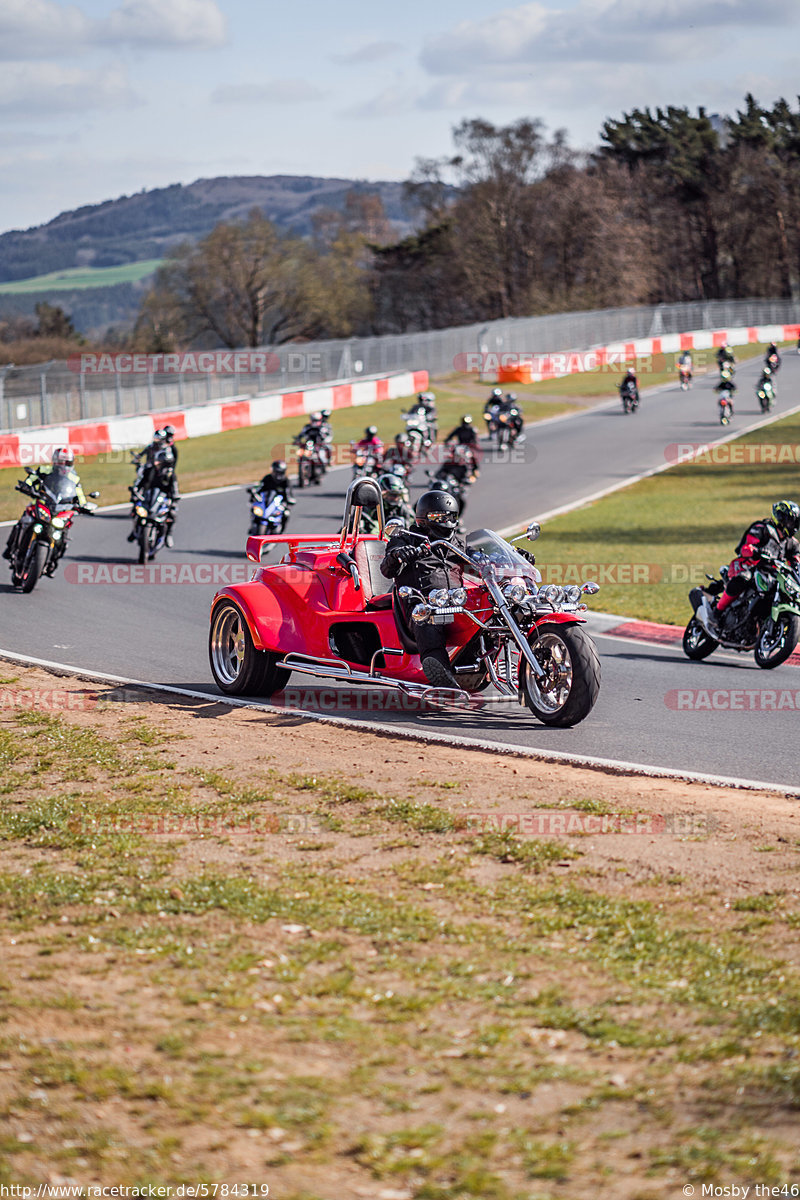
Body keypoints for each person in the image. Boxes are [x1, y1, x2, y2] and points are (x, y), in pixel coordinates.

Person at [381, 490, 466, 689]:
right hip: (421, 605)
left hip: (457, 604)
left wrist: (510, 557)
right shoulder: (406, 538)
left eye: (449, 516)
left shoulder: (456, 543)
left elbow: (479, 561)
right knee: (425, 616)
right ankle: (440, 672)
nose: (445, 521)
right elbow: (386, 569)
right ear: (424, 517)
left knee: (492, 607)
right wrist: (398, 555)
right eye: (439, 517)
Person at [706, 500, 800, 636]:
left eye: (795, 522)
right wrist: (755, 551)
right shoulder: (761, 528)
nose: (793, 525)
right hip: (747, 565)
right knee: (743, 579)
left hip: (770, 574)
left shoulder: (792, 544)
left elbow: (796, 562)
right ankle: (717, 612)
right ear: (780, 518)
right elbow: (746, 547)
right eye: (790, 521)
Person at [4, 448, 94, 564]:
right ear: (56, 462)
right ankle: (10, 547)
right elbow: (32, 478)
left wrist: (83, 505)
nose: (65, 466)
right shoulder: (44, 470)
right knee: (24, 520)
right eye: (63, 462)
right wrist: (27, 485)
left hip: (60, 509)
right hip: (42, 503)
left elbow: (79, 492)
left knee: (64, 532)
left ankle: (53, 560)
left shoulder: (73, 478)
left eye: (68, 463)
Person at [255, 460, 296, 530]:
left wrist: (288, 503)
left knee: (286, 514)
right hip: (266, 503)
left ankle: (281, 529)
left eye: (280, 472)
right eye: (276, 472)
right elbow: (259, 488)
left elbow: (289, 494)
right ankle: (255, 524)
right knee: (254, 509)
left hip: (279, 505)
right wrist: (254, 493)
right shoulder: (267, 478)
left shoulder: (286, 481)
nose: (277, 475)